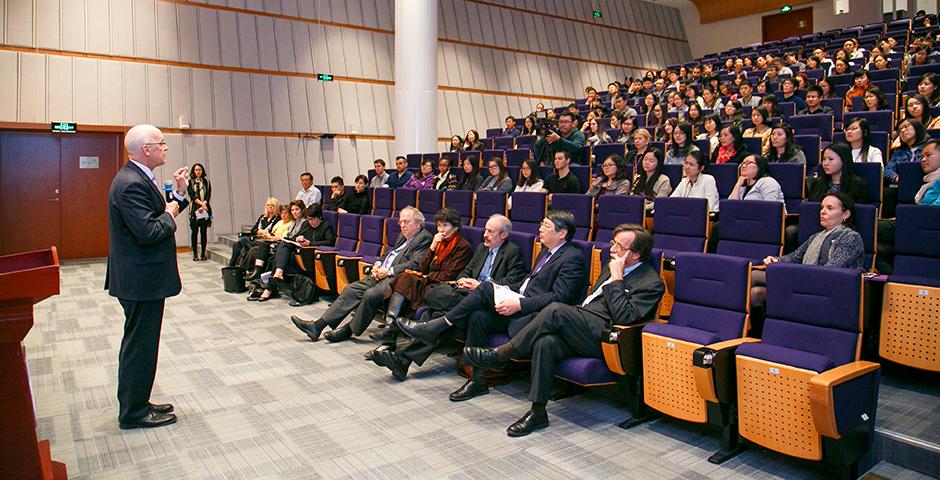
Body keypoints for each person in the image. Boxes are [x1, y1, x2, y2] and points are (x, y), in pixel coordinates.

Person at [459, 224, 664, 437]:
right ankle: (538, 412)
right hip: (582, 324)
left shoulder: (651, 283)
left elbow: (624, 317)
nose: (612, 250)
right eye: (612, 243)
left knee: (555, 309)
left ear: (637, 254)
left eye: (619, 246)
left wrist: (618, 279)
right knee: (545, 342)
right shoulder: (612, 264)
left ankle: (502, 353)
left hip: (606, 337)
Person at [393, 211, 587, 386]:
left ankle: (433, 327)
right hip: (511, 299)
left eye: (546, 225)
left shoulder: (572, 257)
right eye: (541, 224)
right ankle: (476, 380)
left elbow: (559, 296)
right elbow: (525, 283)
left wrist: (517, 302)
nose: (540, 229)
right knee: (476, 315)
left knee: (480, 290)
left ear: (562, 233)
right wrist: (503, 291)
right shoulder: (546, 251)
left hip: (531, 314)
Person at [370, 214, 527, 378]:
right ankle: (402, 360)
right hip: (465, 294)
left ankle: (402, 358)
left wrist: (480, 286)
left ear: (504, 235)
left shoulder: (512, 252)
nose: (485, 235)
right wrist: (463, 280)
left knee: (432, 312)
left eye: (490, 232)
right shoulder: (482, 248)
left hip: (486, 299)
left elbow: (513, 281)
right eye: (485, 230)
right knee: (437, 306)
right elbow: (466, 270)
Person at [106, 124, 189, 429]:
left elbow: (166, 212)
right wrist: (170, 213)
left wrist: (178, 196)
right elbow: (150, 231)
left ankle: (139, 401)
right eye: (161, 143)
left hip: (142, 278)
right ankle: (133, 412)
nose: (165, 147)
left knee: (142, 344)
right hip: (140, 280)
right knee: (139, 346)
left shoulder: (140, 177)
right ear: (146, 149)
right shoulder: (131, 183)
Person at [290, 207, 433, 342]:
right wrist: (378, 264)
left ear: (418, 223)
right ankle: (317, 326)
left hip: (398, 279)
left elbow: (416, 264)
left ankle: (348, 330)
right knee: (350, 289)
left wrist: (388, 270)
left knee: (370, 295)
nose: (402, 225)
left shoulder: (423, 238)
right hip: (381, 274)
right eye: (400, 221)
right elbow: (389, 253)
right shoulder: (403, 236)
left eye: (406, 221)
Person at [752, 192, 865, 308]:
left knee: (754, 275)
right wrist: (776, 259)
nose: (822, 212)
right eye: (822, 208)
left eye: (829, 208)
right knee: (755, 294)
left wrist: (796, 275)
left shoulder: (851, 237)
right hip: (808, 282)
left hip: (829, 291)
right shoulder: (816, 236)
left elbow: (832, 270)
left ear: (845, 214)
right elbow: (795, 257)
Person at [380, 208, 472, 337]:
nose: (440, 229)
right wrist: (432, 247)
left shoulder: (462, 246)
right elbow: (422, 267)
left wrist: (426, 276)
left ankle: (390, 330)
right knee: (404, 278)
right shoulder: (438, 243)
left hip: (440, 285)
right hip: (428, 281)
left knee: (406, 282)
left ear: (455, 227)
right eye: (439, 225)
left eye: (445, 225)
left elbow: (449, 275)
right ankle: (390, 326)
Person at [248, 200, 316, 302]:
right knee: (271, 250)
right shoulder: (294, 223)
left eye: (297, 209)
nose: (294, 212)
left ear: (302, 210)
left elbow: (296, 238)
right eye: (292, 210)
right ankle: (269, 283)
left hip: (298, 251)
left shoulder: (305, 223)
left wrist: (281, 238)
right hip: (287, 248)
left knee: (278, 253)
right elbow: (289, 237)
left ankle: (269, 288)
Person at [228, 197, 280, 267]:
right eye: (268, 205)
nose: (270, 207)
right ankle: (232, 264)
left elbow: (271, 232)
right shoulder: (263, 217)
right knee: (239, 242)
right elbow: (253, 230)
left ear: (276, 207)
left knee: (246, 247)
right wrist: (261, 231)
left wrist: (260, 232)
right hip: (255, 237)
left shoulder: (278, 218)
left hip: (264, 240)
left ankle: (241, 266)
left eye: (272, 205)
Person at [886, 118, 928, 185]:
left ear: (916, 126)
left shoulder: (929, 146)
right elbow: (887, 170)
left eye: (906, 126)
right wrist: (897, 178)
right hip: (903, 185)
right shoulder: (899, 151)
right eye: (899, 130)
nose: (902, 130)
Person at [187, 163, 211, 261]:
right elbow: (192, 195)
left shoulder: (206, 182)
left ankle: (203, 253)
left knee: (204, 231)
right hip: (195, 209)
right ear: (193, 171)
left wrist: (204, 204)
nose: (198, 171)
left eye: (200, 169)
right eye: (196, 170)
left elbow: (208, 195)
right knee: (195, 231)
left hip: (204, 209)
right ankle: (195, 254)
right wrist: (201, 204)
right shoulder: (190, 182)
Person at [916, 138, 940, 205]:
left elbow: (934, 211)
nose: (923, 160)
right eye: (922, 157)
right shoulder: (930, 184)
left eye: (928, 155)